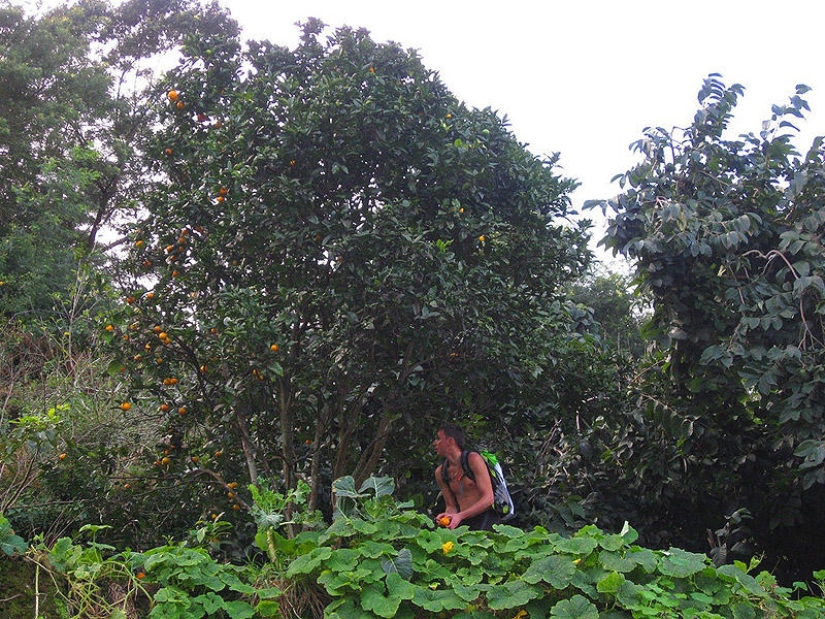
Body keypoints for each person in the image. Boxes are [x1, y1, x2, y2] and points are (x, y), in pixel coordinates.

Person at [434, 424, 500, 531]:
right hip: (462, 521)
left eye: (438, 439)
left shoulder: (473, 459)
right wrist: (447, 517)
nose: (435, 443)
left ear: (450, 441)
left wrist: (461, 515)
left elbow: (489, 498)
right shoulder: (441, 472)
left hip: (485, 518)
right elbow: (451, 507)